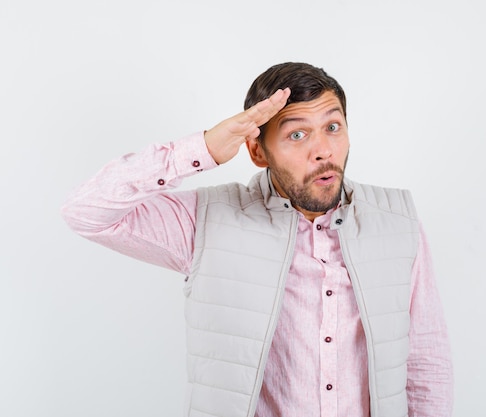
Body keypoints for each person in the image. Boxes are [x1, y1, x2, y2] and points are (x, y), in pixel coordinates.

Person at [62, 62, 453, 417]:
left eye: (333, 127)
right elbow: (85, 211)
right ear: (257, 151)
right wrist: (202, 149)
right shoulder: (207, 221)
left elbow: (426, 362)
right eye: (297, 134)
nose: (323, 151)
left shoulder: (397, 221)